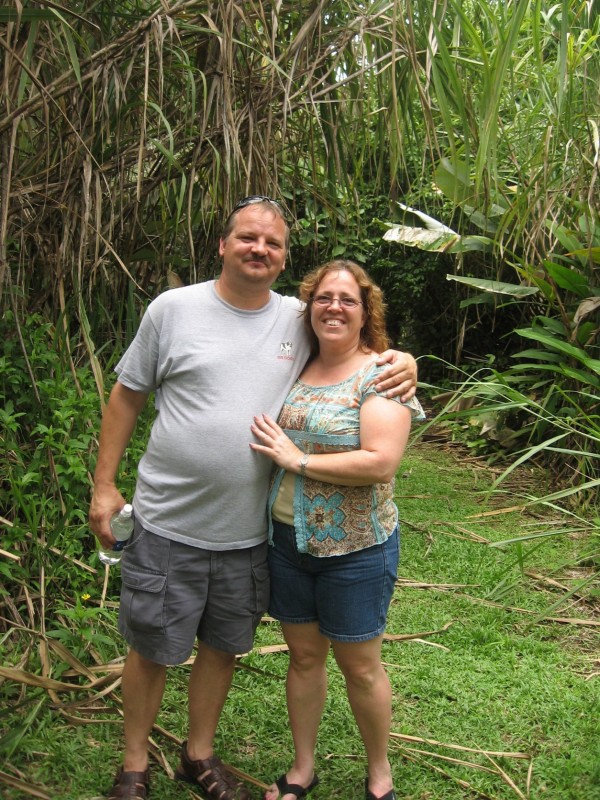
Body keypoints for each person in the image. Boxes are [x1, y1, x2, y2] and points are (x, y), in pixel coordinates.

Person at [89, 198, 418, 800]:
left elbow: (354, 335)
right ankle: (134, 763)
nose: (259, 249)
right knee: (152, 646)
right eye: (248, 237)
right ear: (223, 244)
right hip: (169, 520)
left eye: (272, 243)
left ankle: (200, 754)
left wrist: (405, 360)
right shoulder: (174, 310)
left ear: (284, 257)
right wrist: (105, 485)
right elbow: (127, 395)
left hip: (248, 533)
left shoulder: (298, 317)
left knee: (221, 647)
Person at [250, 260, 425, 800]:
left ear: (365, 310)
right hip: (288, 541)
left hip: (355, 548)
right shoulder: (294, 365)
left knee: (361, 667)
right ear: (310, 307)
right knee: (303, 658)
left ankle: (379, 774)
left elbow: (379, 462)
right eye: (325, 297)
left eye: (348, 299)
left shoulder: (382, 373)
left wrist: (296, 459)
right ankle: (303, 768)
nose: (335, 307)